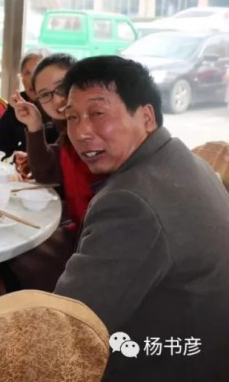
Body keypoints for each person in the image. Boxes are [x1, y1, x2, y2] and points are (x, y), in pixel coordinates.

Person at [55, 56, 229, 381]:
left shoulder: (130, 203)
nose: (80, 132)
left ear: (147, 117)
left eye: (97, 113)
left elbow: (70, 323)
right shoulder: (182, 159)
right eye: (72, 117)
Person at [6, 53, 104, 292]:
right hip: (80, 227)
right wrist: (34, 125)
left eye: (61, 87)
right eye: (45, 95)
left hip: (98, 238)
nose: (57, 99)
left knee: (20, 254)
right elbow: (46, 173)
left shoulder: (92, 131)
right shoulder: (66, 130)